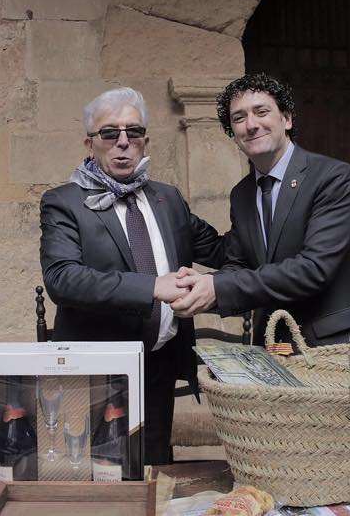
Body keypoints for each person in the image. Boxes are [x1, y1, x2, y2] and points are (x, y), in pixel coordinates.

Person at [38, 87, 223, 465]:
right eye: (109, 133)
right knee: (101, 477)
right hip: (98, 369)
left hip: (159, 363)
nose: (123, 142)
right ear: (90, 143)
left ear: (145, 141)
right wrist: (152, 286)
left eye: (133, 132)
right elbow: (62, 278)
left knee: (154, 468)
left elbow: (223, 250)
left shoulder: (167, 198)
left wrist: (261, 202)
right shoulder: (65, 202)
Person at [171, 72, 350, 347]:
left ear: (286, 119)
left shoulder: (332, 177)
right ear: (233, 134)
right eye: (239, 118)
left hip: (337, 348)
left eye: (261, 111)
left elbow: (314, 269)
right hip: (276, 348)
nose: (251, 125)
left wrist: (217, 287)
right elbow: (240, 263)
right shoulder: (241, 194)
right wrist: (200, 287)